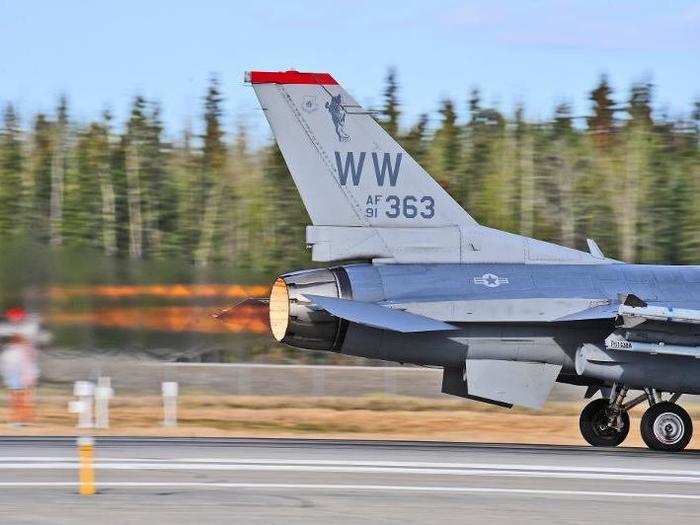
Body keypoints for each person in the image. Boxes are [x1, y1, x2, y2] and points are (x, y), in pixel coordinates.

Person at [0, 308, 41, 426]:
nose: (14, 319)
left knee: (25, 394)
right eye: (12, 317)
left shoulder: (29, 328)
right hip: (11, 367)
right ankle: (16, 418)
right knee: (14, 394)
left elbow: (26, 341)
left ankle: (25, 418)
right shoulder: (5, 328)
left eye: (17, 317)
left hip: (25, 366)